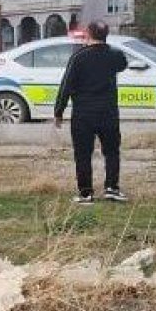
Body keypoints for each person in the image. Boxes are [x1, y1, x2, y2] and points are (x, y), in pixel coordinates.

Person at [54, 20, 129, 205]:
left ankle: (86, 193)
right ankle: (112, 188)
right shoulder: (115, 55)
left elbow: (66, 86)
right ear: (106, 35)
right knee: (111, 151)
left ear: (88, 34)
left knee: (83, 154)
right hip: (108, 112)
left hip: (83, 114)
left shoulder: (79, 57)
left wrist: (59, 111)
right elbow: (123, 64)